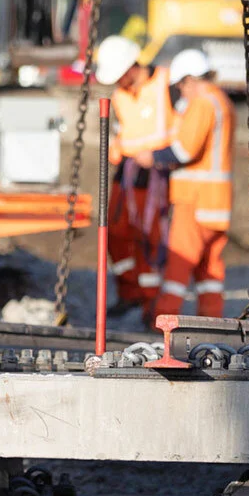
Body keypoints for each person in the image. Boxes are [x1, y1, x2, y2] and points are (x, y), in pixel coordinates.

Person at [149, 49, 233, 319]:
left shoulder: (203, 102)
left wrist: (151, 157)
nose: (181, 93)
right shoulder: (221, 101)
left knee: (179, 262)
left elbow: (184, 151)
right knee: (209, 268)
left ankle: (163, 321)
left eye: (181, 86)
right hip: (216, 202)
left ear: (189, 79)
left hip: (194, 200)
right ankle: (211, 321)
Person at [94, 35, 174, 310]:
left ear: (130, 67)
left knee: (150, 238)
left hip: (155, 174)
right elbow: (122, 132)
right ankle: (129, 291)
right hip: (126, 171)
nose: (117, 82)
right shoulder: (120, 96)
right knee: (115, 232)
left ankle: (151, 302)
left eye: (119, 75)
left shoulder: (166, 84)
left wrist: (163, 158)